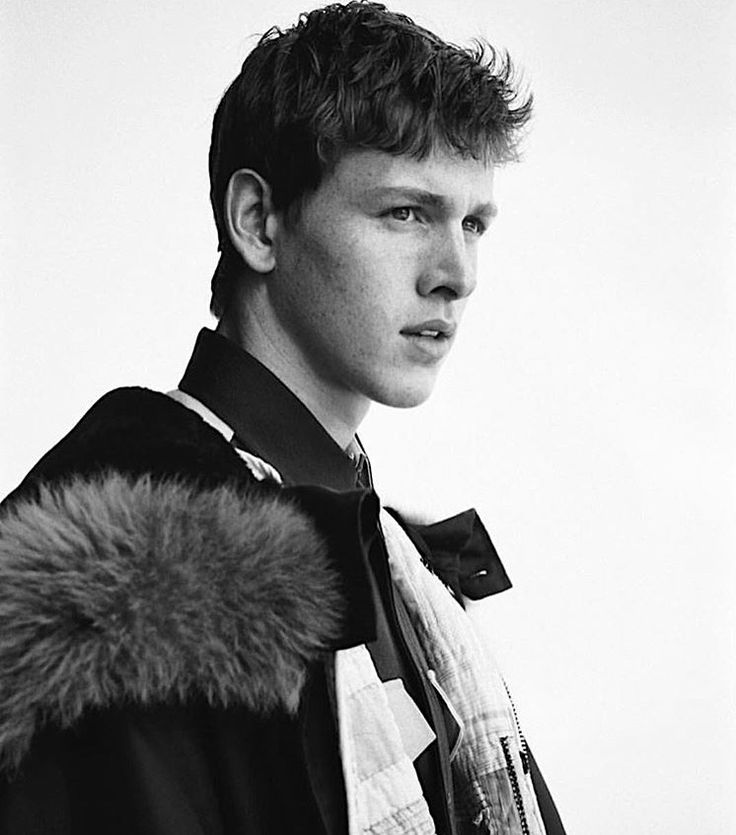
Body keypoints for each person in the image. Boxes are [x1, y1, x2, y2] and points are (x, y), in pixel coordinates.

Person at [0, 2, 566, 833]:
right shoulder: (125, 573)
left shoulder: (377, 553)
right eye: (405, 212)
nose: (456, 273)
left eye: (472, 223)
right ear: (259, 222)